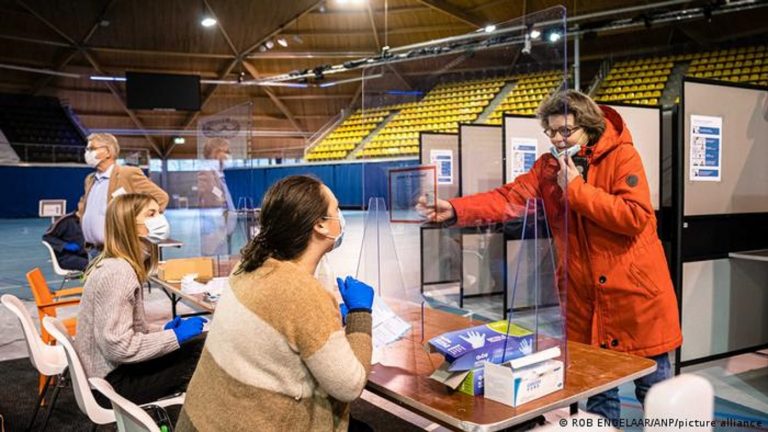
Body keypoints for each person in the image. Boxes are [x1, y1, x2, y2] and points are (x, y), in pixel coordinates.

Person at [422, 90, 682, 423]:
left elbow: (635, 218)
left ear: (587, 127)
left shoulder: (622, 157)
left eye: (566, 131)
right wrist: (456, 208)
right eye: (551, 131)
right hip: (584, 305)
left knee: (656, 393)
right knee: (598, 397)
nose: (558, 139)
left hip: (637, 301)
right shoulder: (547, 168)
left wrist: (577, 189)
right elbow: (507, 198)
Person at [176, 175, 374, 432]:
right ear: (321, 226)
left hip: (203, 419)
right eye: (336, 210)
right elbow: (350, 385)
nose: (340, 216)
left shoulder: (247, 266)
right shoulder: (301, 292)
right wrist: (361, 313)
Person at [74, 193, 206, 408]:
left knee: (199, 343)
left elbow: (122, 331)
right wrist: (174, 336)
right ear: (129, 225)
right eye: (151, 214)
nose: (161, 219)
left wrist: (162, 329)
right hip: (110, 386)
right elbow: (118, 347)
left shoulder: (117, 265)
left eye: (160, 212)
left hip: (110, 375)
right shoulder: (118, 273)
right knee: (206, 353)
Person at [77, 133, 168, 255]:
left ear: (108, 152)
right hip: (92, 249)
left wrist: (139, 226)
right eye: (87, 149)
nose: (87, 152)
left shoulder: (128, 174)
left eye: (92, 149)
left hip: (118, 250)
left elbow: (161, 198)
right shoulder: (90, 179)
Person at [197, 137, 237, 256]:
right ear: (216, 153)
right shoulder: (207, 173)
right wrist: (221, 198)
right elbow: (212, 193)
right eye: (226, 151)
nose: (229, 155)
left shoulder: (219, 174)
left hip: (222, 232)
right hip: (214, 232)